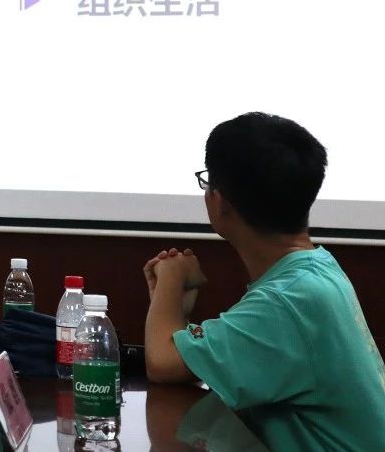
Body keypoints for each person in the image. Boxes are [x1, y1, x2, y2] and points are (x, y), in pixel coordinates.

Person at [143, 112, 385, 450]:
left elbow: (162, 364)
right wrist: (173, 310)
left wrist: (171, 278)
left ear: (220, 201)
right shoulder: (316, 271)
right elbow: (186, 364)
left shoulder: (288, 300)